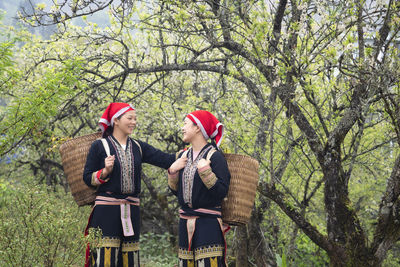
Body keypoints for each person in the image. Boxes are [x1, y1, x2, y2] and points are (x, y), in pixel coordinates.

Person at [83, 102, 175, 267]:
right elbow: (87, 177)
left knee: (129, 260)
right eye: (129, 118)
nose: (134, 122)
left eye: (135, 118)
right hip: (106, 212)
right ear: (116, 121)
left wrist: (193, 152)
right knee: (105, 260)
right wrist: (104, 171)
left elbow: (166, 160)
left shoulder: (138, 147)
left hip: (131, 212)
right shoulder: (99, 145)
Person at [168, 110, 231, 267]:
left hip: (208, 225)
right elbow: (177, 192)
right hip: (184, 223)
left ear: (198, 128)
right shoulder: (183, 155)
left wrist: (205, 172)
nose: (182, 128)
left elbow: (222, 191)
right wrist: (173, 171)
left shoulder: (215, 157)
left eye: (185, 124)